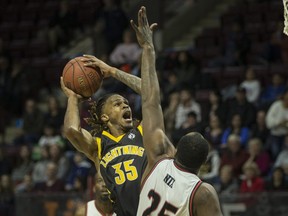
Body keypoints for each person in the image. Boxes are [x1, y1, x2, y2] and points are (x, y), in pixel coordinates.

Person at [131, 7, 222, 215]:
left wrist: (147, 49)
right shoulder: (202, 193)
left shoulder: (158, 158)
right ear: (203, 164)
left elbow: (150, 101)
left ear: (175, 150)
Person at [61, 27, 148, 215]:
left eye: (126, 103)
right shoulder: (98, 146)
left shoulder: (142, 131)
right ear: (104, 117)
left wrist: (113, 71)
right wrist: (72, 99)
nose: (126, 106)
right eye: (117, 104)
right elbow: (71, 130)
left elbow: (150, 93)